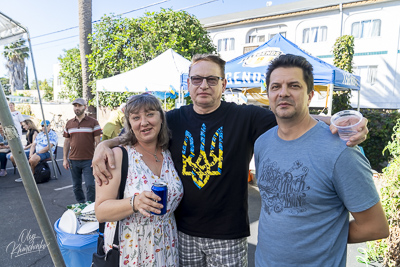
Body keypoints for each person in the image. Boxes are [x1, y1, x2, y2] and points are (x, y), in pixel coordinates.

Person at [92, 54, 369, 266]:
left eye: (212, 79)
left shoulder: (246, 117)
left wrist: (344, 122)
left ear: (223, 84)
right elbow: (141, 132)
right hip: (183, 233)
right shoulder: (172, 119)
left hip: (229, 236)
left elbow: (296, 118)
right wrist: (104, 144)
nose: (204, 85)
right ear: (188, 84)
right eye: (197, 79)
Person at [254, 54, 389, 266]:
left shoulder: (341, 151)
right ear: (268, 94)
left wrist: (325, 239)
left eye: (294, 85)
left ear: (310, 95)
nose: (283, 93)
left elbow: (375, 227)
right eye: (275, 86)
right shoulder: (262, 143)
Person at [95, 94, 183, 266]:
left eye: (150, 114)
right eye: (136, 117)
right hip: (132, 251)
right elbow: (101, 211)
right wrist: (134, 203)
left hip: (168, 248)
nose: (144, 122)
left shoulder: (169, 152)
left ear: (161, 118)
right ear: (129, 123)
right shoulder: (118, 156)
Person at [63, 98, 101, 203]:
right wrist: (65, 159)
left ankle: (91, 206)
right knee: (76, 186)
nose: (77, 108)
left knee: (90, 185)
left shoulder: (93, 122)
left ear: (85, 107)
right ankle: (81, 204)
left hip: (89, 160)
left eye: (79, 106)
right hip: (73, 160)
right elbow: (66, 142)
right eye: (75, 106)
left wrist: (97, 158)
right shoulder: (69, 123)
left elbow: (98, 142)